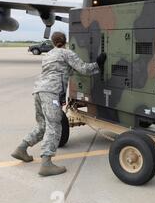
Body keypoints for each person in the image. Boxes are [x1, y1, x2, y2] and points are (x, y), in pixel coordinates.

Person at [11, 32, 106, 177]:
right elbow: (84, 69)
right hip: (51, 93)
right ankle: (46, 164)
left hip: (38, 91)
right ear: (65, 41)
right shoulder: (66, 53)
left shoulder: (48, 55)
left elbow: (62, 70)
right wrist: (98, 63)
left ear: (53, 42)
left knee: (42, 125)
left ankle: (21, 149)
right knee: (54, 125)